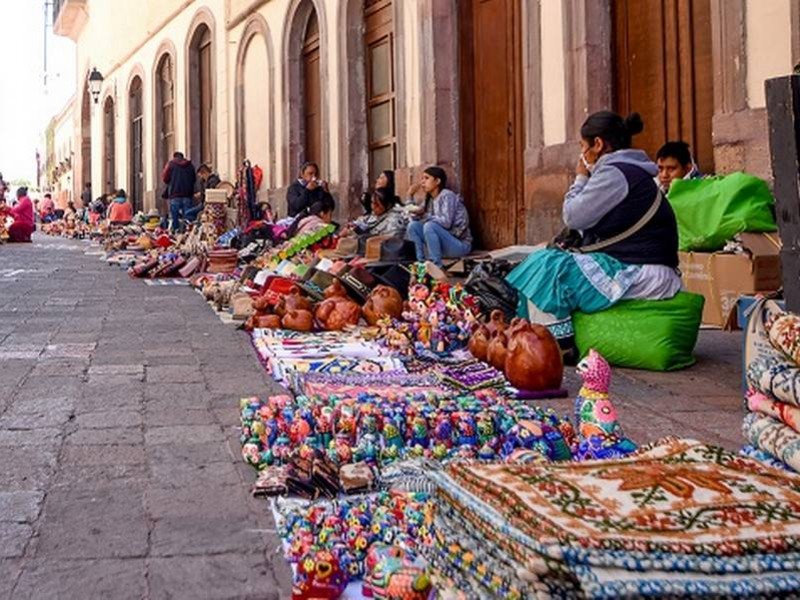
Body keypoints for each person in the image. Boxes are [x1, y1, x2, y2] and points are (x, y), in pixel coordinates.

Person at [506, 111, 680, 356]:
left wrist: (580, 177)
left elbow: (573, 215)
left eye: (583, 146)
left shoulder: (615, 174)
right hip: (636, 264)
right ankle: (541, 337)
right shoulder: (627, 171)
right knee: (545, 260)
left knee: (547, 267)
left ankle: (555, 345)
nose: (582, 154)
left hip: (644, 272)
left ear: (597, 144)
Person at [405, 166, 472, 266]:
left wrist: (425, 215)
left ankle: (437, 266)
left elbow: (446, 222)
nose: (422, 182)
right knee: (413, 226)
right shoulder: (430, 199)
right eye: (422, 178)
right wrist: (410, 196)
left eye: (426, 178)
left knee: (429, 226)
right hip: (441, 245)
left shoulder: (447, 195)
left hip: (458, 245)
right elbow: (413, 216)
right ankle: (420, 263)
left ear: (437, 181)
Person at [162, 151, 196, 232]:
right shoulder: (190, 165)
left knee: (175, 217)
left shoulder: (171, 164)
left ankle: (176, 232)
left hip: (174, 194)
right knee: (188, 216)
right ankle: (188, 233)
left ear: (174, 157)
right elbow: (194, 179)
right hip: (187, 194)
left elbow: (165, 178)